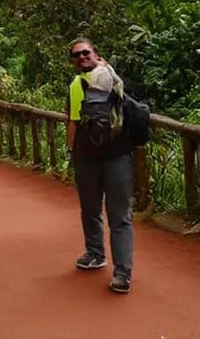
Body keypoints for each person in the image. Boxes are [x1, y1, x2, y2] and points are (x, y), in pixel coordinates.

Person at [65, 37, 134, 294]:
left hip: (115, 157)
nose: (82, 57)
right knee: (93, 209)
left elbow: (126, 104)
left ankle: (121, 272)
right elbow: (73, 121)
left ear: (95, 54)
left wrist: (70, 152)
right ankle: (97, 254)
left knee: (117, 216)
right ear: (73, 61)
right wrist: (72, 152)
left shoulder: (109, 78)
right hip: (91, 157)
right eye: (76, 55)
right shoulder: (79, 84)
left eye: (85, 53)